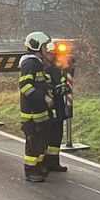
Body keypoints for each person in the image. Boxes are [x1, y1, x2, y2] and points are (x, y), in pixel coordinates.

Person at [18, 31, 54, 182]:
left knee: (41, 140)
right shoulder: (29, 63)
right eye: (45, 46)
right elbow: (25, 86)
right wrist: (43, 97)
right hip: (31, 113)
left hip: (39, 111)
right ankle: (31, 170)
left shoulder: (37, 63)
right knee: (33, 142)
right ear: (37, 46)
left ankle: (38, 166)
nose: (47, 49)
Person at [42, 41, 71, 172]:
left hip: (58, 105)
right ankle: (43, 163)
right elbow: (44, 86)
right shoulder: (42, 67)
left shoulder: (55, 67)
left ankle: (54, 162)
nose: (53, 56)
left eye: (54, 54)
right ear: (45, 53)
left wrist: (64, 87)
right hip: (48, 106)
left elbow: (61, 82)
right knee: (46, 134)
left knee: (57, 134)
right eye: (51, 54)